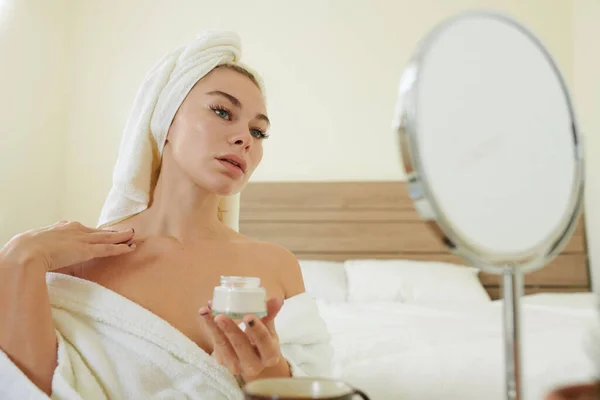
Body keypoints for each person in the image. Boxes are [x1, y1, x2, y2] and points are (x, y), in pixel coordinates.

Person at [0, 31, 332, 400]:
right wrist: (18, 259)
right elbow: (31, 390)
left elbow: (314, 387)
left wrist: (266, 371)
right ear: (166, 121)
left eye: (259, 131)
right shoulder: (79, 259)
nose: (245, 139)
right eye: (223, 112)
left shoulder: (276, 266)